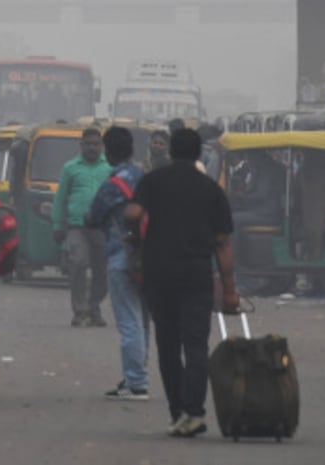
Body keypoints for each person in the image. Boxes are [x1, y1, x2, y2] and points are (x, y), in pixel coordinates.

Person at [125, 128, 238, 438]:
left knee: (168, 345)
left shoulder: (153, 181)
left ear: (171, 151)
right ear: (199, 153)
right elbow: (223, 243)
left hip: (159, 274)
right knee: (196, 345)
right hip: (196, 275)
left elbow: (133, 212)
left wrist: (134, 232)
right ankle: (195, 412)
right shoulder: (211, 190)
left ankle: (177, 413)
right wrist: (229, 290)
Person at [86, 126, 150, 401]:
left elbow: (93, 217)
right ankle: (136, 376)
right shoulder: (145, 178)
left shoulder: (112, 186)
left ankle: (136, 382)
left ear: (108, 152)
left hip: (122, 255)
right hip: (149, 256)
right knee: (143, 319)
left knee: (128, 321)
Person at [52, 127, 112, 326]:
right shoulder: (70, 168)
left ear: (101, 146)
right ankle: (80, 311)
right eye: (88, 144)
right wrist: (58, 225)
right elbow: (60, 199)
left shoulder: (110, 168)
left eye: (95, 144)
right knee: (78, 263)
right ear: (81, 146)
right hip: (77, 226)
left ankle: (94, 306)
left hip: (103, 228)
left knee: (103, 271)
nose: (92, 148)